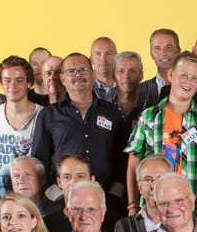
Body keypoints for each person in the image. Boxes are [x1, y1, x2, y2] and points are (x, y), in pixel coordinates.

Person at [124, 51, 197, 229]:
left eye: (194, 78)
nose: (188, 82)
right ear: (171, 75)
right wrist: (133, 205)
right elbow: (133, 165)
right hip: (154, 210)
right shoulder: (149, 117)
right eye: (183, 75)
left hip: (196, 211)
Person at [30, 52, 129, 212]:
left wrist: (114, 195)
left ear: (94, 75)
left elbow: (123, 159)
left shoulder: (112, 112)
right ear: (62, 78)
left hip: (107, 204)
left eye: (84, 69)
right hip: (61, 206)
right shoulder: (48, 115)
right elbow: (38, 163)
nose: (78, 75)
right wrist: (58, 197)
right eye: (72, 71)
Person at [0, 56, 42, 207]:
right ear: (1, 83)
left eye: (19, 80)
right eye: (7, 80)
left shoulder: (42, 115)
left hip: (33, 204)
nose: (12, 85)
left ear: (29, 83)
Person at [115, 154, 171, 232]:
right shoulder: (124, 227)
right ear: (140, 188)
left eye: (161, 179)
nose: (154, 186)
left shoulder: (186, 224)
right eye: (148, 180)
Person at [137, 28, 181, 106]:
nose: (163, 53)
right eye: (157, 48)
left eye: (168, 47)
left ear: (178, 51)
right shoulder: (138, 91)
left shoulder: (192, 87)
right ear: (152, 54)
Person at [115, 50, 154, 126]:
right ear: (113, 76)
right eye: (121, 71)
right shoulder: (103, 109)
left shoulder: (152, 111)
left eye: (132, 71)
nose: (126, 76)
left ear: (141, 75)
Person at [91, 36, 119, 102]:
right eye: (98, 54)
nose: (103, 59)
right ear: (91, 60)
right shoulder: (82, 87)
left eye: (108, 53)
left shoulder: (129, 85)